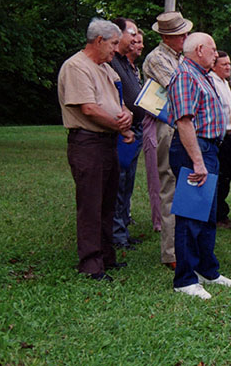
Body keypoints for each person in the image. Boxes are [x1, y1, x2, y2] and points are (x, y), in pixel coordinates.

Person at [58, 18, 134, 281]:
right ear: (99, 41)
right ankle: (91, 264)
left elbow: (119, 100)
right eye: (113, 44)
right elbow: (88, 108)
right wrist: (119, 124)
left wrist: (125, 117)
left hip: (107, 142)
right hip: (87, 143)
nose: (116, 49)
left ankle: (106, 256)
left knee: (107, 202)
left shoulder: (106, 68)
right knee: (90, 204)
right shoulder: (76, 67)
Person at [167, 32, 231, 299]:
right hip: (194, 149)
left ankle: (208, 270)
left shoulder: (201, 74)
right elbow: (184, 122)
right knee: (191, 215)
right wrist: (197, 161)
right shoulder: (186, 75)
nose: (216, 54)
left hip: (209, 149)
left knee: (207, 215)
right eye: (213, 49)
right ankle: (185, 279)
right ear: (199, 49)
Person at [142, 11, 192, 269]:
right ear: (165, 37)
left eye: (184, 32)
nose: (185, 37)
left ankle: (184, 245)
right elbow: (179, 87)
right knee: (170, 185)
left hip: (181, 123)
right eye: (179, 34)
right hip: (166, 124)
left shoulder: (179, 57)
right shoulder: (157, 58)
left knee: (186, 183)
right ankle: (171, 252)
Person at [109, 17, 145, 250]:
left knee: (128, 182)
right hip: (121, 132)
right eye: (131, 33)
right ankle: (116, 234)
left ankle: (123, 228)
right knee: (119, 183)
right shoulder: (111, 62)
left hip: (135, 130)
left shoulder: (125, 62)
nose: (135, 38)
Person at [131, 32, 163, 232]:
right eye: (135, 41)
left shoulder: (134, 68)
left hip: (167, 122)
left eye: (141, 42)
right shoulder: (156, 59)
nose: (139, 45)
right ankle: (159, 221)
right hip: (154, 120)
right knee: (156, 173)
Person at [209, 51, 231, 228]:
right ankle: (216, 215)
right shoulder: (212, 82)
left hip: (229, 136)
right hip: (219, 137)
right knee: (218, 177)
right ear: (214, 66)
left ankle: (222, 213)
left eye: (229, 64)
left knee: (226, 176)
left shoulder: (226, 83)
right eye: (224, 64)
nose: (228, 67)